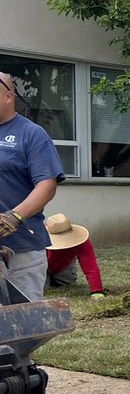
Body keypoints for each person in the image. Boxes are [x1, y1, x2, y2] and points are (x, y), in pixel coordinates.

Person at [0, 71, 66, 303]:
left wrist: (14, 216)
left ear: (9, 96)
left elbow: (47, 185)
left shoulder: (31, 134)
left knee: (25, 325)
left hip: (22, 249)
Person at [45, 213, 107, 298]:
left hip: (64, 265)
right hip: (41, 266)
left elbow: (90, 266)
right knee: (43, 288)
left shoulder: (82, 242)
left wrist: (97, 291)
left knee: (67, 282)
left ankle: (55, 279)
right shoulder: (40, 240)